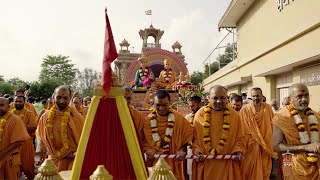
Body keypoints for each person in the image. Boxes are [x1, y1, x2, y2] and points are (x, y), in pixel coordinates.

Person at [192, 85, 245, 179]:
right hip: (206, 163)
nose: (219, 101)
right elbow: (195, 139)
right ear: (208, 98)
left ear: (227, 99)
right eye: (215, 98)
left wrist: (238, 151)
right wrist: (197, 151)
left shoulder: (234, 116)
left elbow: (240, 138)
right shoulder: (200, 115)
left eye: (222, 98)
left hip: (227, 163)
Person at [273, 83, 320, 179]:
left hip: (315, 166)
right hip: (292, 164)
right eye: (299, 96)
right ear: (290, 99)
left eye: (306, 95)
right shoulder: (282, 117)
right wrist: (306, 147)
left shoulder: (315, 116)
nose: (304, 99)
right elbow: (276, 146)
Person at [144, 90, 193, 179]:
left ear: (170, 103)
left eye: (165, 105)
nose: (161, 108)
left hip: (174, 161)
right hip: (155, 163)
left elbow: (187, 136)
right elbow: (146, 142)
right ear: (153, 104)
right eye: (158, 105)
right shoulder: (148, 121)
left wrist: (182, 150)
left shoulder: (178, 118)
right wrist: (149, 151)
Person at [38, 85, 84, 171]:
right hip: (53, 160)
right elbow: (40, 136)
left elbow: (84, 140)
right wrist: (41, 148)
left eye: (65, 98)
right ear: (53, 97)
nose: (62, 101)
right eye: (58, 97)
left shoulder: (76, 117)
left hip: (72, 161)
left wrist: (74, 154)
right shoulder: (45, 117)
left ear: (70, 99)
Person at [240, 87, 276, 179]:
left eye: (258, 96)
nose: (256, 98)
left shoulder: (267, 108)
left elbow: (273, 124)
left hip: (266, 145)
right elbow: (242, 128)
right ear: (251, 97)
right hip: (251, 145)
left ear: (262, 96)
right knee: (248, 170)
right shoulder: (245, 110)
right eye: (254, 96)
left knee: (265, 169)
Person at [0, 97, 30, 179]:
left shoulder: (15, 119)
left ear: (8, 107)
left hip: (9, 159)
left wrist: (2, 154)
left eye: (2, 105)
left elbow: (19, 141)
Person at [12, 95, 37, 179]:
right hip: (12, 145)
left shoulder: (29, 113)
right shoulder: (10, 114)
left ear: (24, 102)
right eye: (16, 101)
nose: (18, 103)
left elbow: (33, 127)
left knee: (28, 167)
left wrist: (19, 128)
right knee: (13, 167)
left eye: (20, 101)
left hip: (25, 144)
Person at [184, 95, 202, 180]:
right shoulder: (188, 117)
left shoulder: (206, 116)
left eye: (193, 106)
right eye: (190, 106)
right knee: (190, 171)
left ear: (200, 104)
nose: (191, 108)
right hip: (191, 148)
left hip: (204, 148)